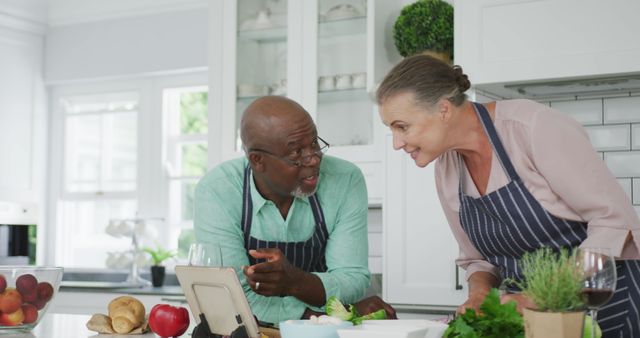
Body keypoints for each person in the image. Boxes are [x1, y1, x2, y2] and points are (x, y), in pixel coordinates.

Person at [375, 54, 640, 337]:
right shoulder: (447, 168)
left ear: (443, 110)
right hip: (526, 315)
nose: (397, 143)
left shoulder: (531, 127)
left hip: (605, 301)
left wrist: (537, 297)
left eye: (401, 126)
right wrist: (479, 296)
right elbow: (477, 260)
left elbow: (613, 220)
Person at [194, 96, 396, 325]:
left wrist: (295, 282)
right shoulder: (218, 191)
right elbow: (229, 297)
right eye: (296, 152)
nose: (313, 159)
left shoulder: (345, 180)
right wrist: (319, 315)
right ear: (257, 160)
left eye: (314, 144)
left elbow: (353, 279)